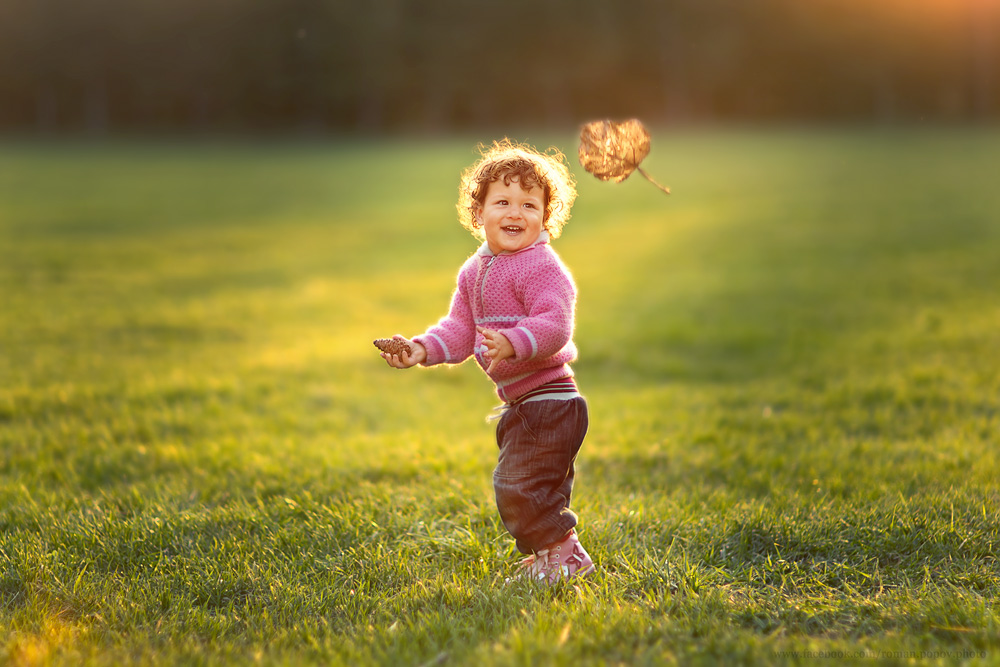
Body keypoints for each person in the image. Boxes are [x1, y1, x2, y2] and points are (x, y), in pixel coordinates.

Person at [378, 139, 594, 584]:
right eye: (503, 201)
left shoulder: (541, 267)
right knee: (532, 486)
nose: (516, 213)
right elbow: (459, 329)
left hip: (551, 400)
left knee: (517, 485)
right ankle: (551, 556)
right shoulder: (474, 271)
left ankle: (565, 557)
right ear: (478, 213)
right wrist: (420, 349)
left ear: (545, 217)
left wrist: (515, 342)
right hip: (524, 403)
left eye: (529, 205)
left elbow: (556, 323)